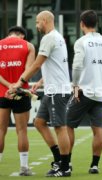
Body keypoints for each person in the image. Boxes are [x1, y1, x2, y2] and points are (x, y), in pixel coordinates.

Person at [11, 10, 71, 177]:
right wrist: (40, 82)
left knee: (60, 128)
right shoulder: (58, 37)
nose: (36, 26)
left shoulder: (49, 38)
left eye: (37, 22)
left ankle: (65, 167)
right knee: (39, 122)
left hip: (56, 91)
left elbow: (36, 65)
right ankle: (59, 159)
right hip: (55, 88)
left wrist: (19, 82)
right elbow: (56, 65)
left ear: (45, 20)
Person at [66, 10, 102, 174]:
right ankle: (94, 165)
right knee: (98, 129)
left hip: (84, 92)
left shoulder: (82, 42)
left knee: (67, 125)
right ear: (96, 24)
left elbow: (76, 66)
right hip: (101, 93)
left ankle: (66, 163)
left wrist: (75, 87)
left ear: (82, 23)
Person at [0, 26, 35, 176]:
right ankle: (24, 167)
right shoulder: (28, 45)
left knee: (1, 130)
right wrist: (16, 86)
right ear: (21, 35)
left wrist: (9, 86)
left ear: (9, 34)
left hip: (2, 93)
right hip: (21, 92)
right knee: (22, 130)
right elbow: (28, 70)